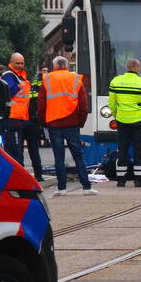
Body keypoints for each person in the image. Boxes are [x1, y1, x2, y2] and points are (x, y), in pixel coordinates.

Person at [38, 56, 97, 196]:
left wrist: (44, 123)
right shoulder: (76, 79)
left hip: (53, 123)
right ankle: (86, 187)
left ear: (54, 67)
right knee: (78, 156)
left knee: (59, 157)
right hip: (72, 123)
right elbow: (83, 105)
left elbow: (41, 106)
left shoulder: (46, 80)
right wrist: (80, 122)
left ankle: (62, 188)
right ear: (66, 66)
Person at [108, 58, 141, 186]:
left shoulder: (115, 81)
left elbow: (111, 103)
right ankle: (139, 180)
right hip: (137, 121)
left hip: (122, 121)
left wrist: (116, 115)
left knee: (122, 149)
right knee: (138, 149)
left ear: (127, 67)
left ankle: (121, 180)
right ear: (137, 68)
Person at [0, 52, 32, 164]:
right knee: (14, 149)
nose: (20, 65)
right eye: (17, 63)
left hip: (20, 117)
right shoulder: (9, 75)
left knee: (18, 149)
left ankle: (18, 172)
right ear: (11, 62)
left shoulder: (19, 75)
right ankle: (16, 174)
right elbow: (8, 92)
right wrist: (19, 86)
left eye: (22, 63)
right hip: (12, 117)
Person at [20, 70, 45, 181]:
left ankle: (22, 176)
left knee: (20, 150)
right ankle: (38, 175)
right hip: (31, 122)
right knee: (34, 150)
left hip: (22, 121)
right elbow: (37, 106)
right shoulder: (32, 89)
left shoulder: (22, 89)